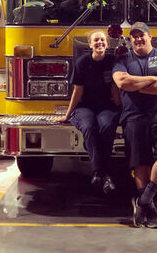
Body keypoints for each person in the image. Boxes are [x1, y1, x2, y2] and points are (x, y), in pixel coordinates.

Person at [111, 22, 157, 229]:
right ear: (130, 40)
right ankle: (149, 208)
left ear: (151, 37)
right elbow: (123, 83)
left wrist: (137, 85)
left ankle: (143, 199)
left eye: (142, 35)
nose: (138, 39)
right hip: (134, 116)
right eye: (134, 37)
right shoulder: (122, 59)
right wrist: (152, 79)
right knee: (140, 161)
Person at [53, 29, 120, 195]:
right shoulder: (82, 62)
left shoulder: (113, 61)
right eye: (96, 40)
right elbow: (77, 91)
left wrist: (122, 109)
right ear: (90, 44)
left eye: (102, 40)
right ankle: (103, 173)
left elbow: (115, 88)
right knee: (89, 128)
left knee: (107, 127)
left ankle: (99, 173)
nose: (99, 43)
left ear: (108, 43)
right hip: (85, 107)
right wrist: (67, 115)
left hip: (106, 106)